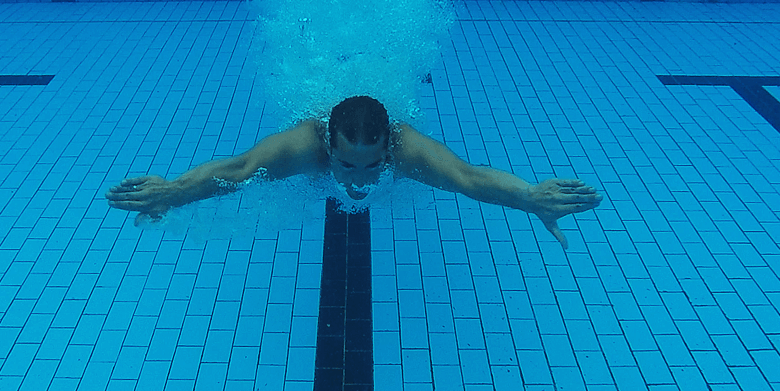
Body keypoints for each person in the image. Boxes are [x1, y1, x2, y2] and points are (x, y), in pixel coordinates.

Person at [106, 95, 602, 248]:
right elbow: (238, 170)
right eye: (345, 164)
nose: (359, 180)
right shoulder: (302, 147)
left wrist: (529, 197)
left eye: (373, 164)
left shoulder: (408, 150)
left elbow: (467, 177)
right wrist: (172, 191)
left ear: (389, 148)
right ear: (328, 146)